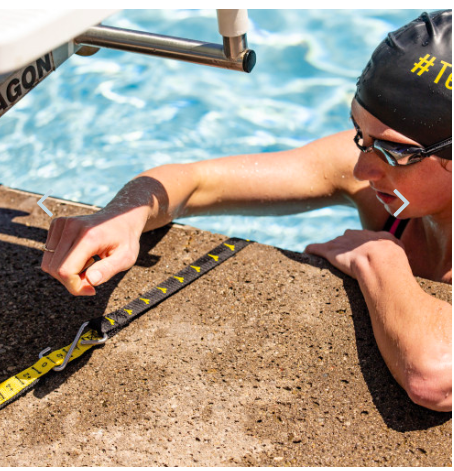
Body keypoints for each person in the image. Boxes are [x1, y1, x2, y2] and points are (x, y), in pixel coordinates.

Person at [41, 10, 452, 412]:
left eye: (393, 150)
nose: (362, 169)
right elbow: (198, 181)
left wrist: (379, 258)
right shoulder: (371, 171)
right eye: (360, 134)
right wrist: (124, 216)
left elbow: (435, 377)